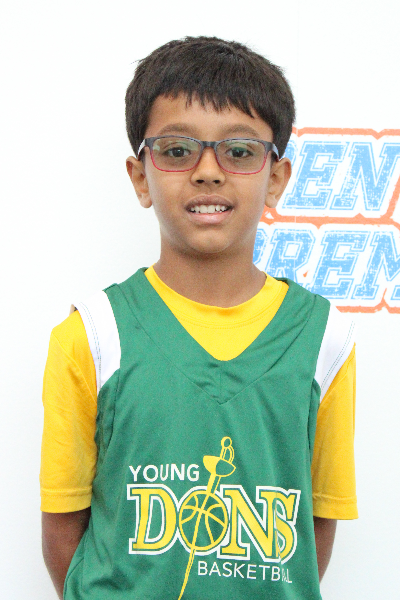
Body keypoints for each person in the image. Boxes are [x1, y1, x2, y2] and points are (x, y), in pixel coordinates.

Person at [40, 36, 357, 600]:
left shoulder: (325, 338)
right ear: (141, 177)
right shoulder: (92, 335)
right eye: (178, 149)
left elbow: (314, 529)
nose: (208, 172)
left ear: (276, 178)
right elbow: (63, 532)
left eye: (239, 151)